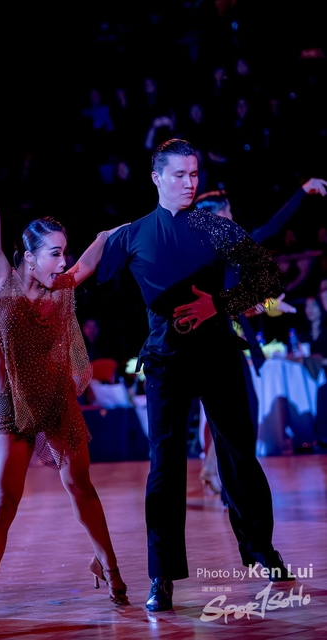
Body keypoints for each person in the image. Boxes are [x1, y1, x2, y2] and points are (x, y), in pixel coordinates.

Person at [97, 138, 296, 613]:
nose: (190, 183)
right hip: (165, 362)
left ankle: (263, 552)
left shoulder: (214, 226)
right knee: (164, 467)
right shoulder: (133, 234)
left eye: (194, 174)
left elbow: (268, 277)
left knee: (239, 456)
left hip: (218, 356)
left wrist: (218, 304)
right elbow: (94, 283)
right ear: (156, 178)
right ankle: (161, 576)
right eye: (180, 175)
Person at [0, 122, 129, 640]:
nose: (64, 261)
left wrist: (126, 228)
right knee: (3, 502)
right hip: (11, 406)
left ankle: (110, 567)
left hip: (57, 399)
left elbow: (95, 251)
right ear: (30, 255)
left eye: (65, 251)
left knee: (80, 485)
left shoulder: (61, 285)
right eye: (54, 252)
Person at [194, 177, 327, 500]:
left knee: (233, 415)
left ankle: (219, 477)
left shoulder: (217, 252)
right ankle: (230, 485)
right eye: (228, 211)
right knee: (238, 415)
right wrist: (302, 192)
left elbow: (235, 301)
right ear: (218, 215)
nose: (233, 217)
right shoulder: (219, 251)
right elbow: (271, 228)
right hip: (218, 344)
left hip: (225, 341)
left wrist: (268, 306)